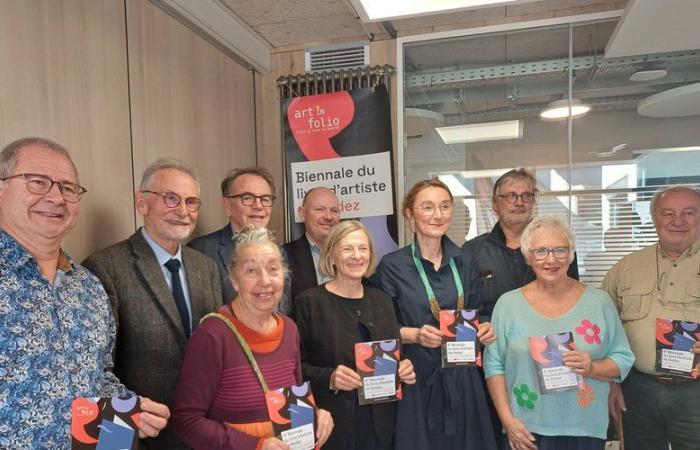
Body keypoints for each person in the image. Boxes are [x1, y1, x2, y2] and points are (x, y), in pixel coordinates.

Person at [0, 137, 169, 448]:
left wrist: (132, 409)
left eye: (68, 188)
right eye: (38, 182)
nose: (56, 197)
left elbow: (99, 377)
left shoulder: (89, 287)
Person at [83, 158, 221, 450]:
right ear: (142, 203)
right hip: (144, 435)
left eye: (192, 202)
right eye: (171, 199)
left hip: (203, 430)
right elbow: (97, 370)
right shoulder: (106, 266)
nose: (183, 211)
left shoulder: (205, 267)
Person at [173, 226, 334, 449]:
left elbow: (289, 405)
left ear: (284, 276)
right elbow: (187, 421)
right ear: (234, 279)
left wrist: (316, 416)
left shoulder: (289, 329)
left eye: (273, 269)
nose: (265, 281)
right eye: (251, 271)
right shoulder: (212, 335)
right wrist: (255, 445)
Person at [484, 215, 634, 450]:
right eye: (541, 251)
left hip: (584, 428)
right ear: (528, 256)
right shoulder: (507, 305)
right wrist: (507, 421)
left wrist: (592, 367)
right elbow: (494, 366)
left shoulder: (599, 303)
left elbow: (623, 360)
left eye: (560, 250)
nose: (551, 259)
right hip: (524, 430)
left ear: (571, 254)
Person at [371, 178, 497, 450]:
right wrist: (413, 335)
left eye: (444, 206)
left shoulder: (465, 261)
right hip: (416, 378)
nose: (438, 215)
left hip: (462, 375)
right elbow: (378, 329)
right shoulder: (392, 266)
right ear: (409, 214)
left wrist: (485, 327)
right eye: (427, 207)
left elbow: (479, 312)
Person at [293, 220, 416, 450]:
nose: (356, 255)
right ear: (331, 256)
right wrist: (329, 377)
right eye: (347, 249)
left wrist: (404, 370)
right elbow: (294, 369)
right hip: (331, 428)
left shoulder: (382, 301)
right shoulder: (308, 303)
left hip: (380, 428)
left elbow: (396, 358)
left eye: (363, 248)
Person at [602, 186, 700, 450]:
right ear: (656, 219)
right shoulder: (625, 268)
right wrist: (611, 384)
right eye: (668, 213)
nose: (677, 221)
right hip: (638, 390)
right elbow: (603, 330)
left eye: (688, 213)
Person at [463, 168, 579, 319]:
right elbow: (465, 309)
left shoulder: (559, 249)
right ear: (495, 204)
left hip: (548, 338)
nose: (519, 202)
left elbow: (573, 297)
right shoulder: (472, 252)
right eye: (511, 196)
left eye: (526, 196)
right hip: (493, 339)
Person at [188, 167, 277, 304]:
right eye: (247, 198)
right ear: (227, 205)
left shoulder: (279, 250)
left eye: (265, 199)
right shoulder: (201, 251)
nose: (259, 206)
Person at [283, 187, 340, 299]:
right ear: (302, 213)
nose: (328, 217)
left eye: (334, 211)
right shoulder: (285, 256)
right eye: (319, 209)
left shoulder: (351, 254)